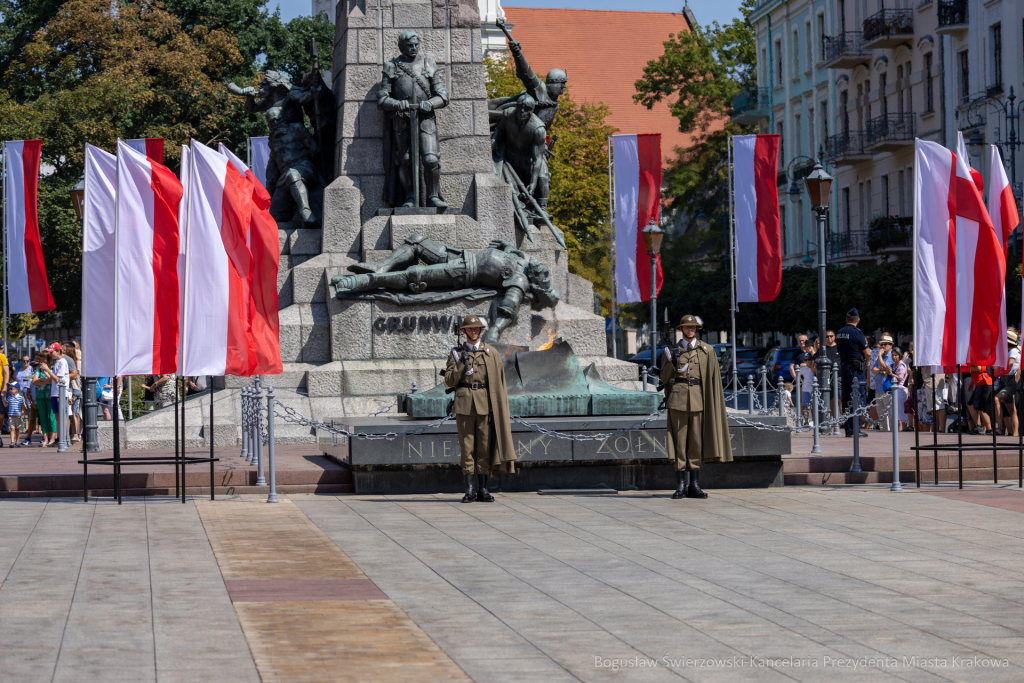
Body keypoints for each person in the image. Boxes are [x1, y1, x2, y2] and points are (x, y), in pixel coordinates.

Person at [443, 315, 517, 503]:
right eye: (470, 329)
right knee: (467, 448)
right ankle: (469, 490)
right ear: (464, 331)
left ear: (480, 331)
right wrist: (461, 363)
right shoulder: (456, 354)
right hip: (464, 406)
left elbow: (497, 384)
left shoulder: (491, 353)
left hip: (485, 406)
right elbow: (450, 380)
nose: (474, 331)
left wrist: (495, 410)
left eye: (477, 329)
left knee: (484, 448)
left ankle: (483, 488)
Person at [659, 314, 733, 500]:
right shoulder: (671, 350)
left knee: (695, 441)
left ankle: (694, 485)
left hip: (699, 399)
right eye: (687, 327)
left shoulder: (707, 350)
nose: (690, 330)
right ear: (681, 329)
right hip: (678, 399)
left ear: (696, 330)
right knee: (680, 442)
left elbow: (713, 379)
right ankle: (681, 485)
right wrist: (673, 362)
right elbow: (664, 379)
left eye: (693, 327)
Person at [835, 309, 871, 437]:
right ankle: (856, 430)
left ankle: (849, 430)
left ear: (846, 319)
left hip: (844, 367)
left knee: (847, 399)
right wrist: (867, 362)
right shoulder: (857, 333)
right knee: (858, 398)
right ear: (858, 320)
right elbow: (868, 353)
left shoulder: (839, 332)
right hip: (856, 369)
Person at [994, 330, 1020, 436]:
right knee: (1012, 411)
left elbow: (1010, 364)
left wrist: (1001, 370)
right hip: (1007, 381)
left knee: (996, 399)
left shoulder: (1013, 351)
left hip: (1009, 381)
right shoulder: (1013, 350)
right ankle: (1014, 434)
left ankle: (1000, 428)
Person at [33, 353, 55, 447]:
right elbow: (34, 381)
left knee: (52, 418)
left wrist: (42, 379)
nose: (43, 360)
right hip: (40, 396)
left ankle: (52, 439)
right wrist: (47, 381)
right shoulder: (38, 368)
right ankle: (45, 439)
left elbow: (53, 381)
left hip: (51, 396)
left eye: (45, 358)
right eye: (41, 358)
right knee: (42, 418)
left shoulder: (53, 367)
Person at [969, 364, 994, 435]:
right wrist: (972, 382)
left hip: (984, 382)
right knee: (971, 404)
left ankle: (989, 430)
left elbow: (978, 368)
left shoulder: (978, 355)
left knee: (981, 408)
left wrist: (967, 367)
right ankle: (979, 426)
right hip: (980, 383)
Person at [4, 382, 25, 447]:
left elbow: (22, 406)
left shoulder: (20, 397)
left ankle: (17, 441)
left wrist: (23, 413)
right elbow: (6, 405)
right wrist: (2, 399)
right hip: (11, 416)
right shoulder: (9, 397)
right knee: (12, 429)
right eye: (9, 388)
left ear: (17, 389)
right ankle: (12, 442)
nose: (10, 390)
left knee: (17, 429)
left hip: (18, 416)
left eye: (12, 388)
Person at [798, 353, 815, 426]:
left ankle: (814, 420)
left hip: (813, 390)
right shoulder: (803, 369)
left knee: (813, 407)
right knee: (805, 406)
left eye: (809, 359)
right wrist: (801, 380)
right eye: (806, 359)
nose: (808, 361)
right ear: (804, 361)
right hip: (805, 389)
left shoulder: (813, 368)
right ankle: (806, 421)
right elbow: (797, 375)